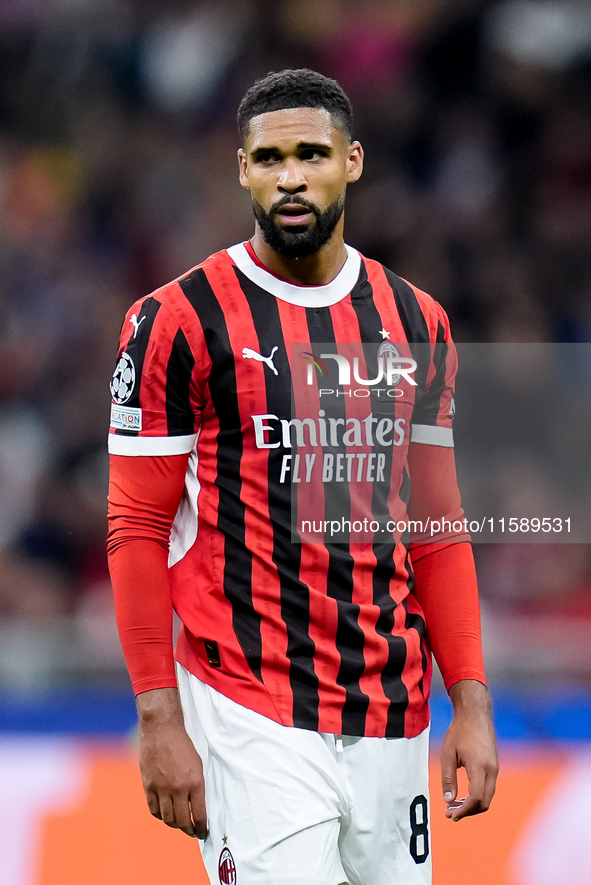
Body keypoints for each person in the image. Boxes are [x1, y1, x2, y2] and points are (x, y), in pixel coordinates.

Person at [107, 68, 498, 885]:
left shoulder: (415, 320)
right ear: (241, 168)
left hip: (391, 710)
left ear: (351, 161)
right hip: (251, 703)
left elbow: (435, 527)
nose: (291, 176)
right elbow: (136, 527)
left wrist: (469, 700)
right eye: (270, 157)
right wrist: (157, 716)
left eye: (311, 154)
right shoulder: (177, 320)